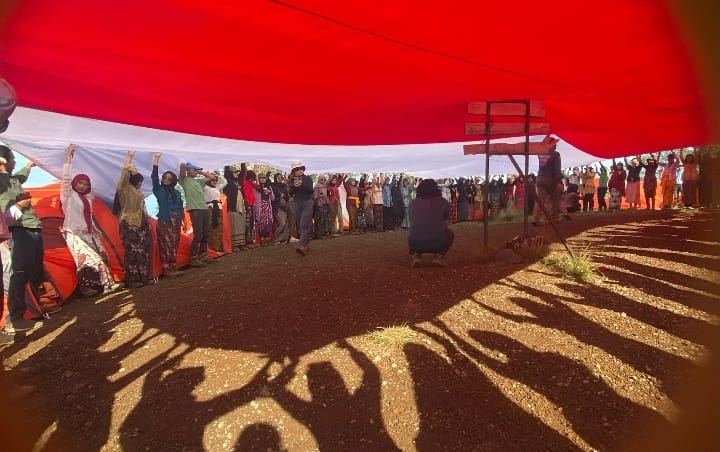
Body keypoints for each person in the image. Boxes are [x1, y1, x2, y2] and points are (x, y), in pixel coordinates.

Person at [61, 144, 124, 295]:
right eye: (80, 183)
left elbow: (88, 217)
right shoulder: (68, 195)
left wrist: (95, 230)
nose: (82, 186)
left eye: (85, 184)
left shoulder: (87, 199)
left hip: (89, 233)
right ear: (74, 184)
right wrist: (69, 157)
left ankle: (102, 285)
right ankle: (88, 287)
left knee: (103, 256)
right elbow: (65, 178)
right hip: (74, 233)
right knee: (88, 260)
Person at [0, 146, 46, 333]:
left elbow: (20, 176)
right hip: (18, 229)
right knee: (19, 272)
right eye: (12, 158)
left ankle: (34, 310)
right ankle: (15, 318)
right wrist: (19, 204)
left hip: (33, 226)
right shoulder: (2, 181)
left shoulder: (12, 179)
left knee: (35, 270)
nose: (15, 161)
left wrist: (28, 165)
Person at [114, 150, 153, 288]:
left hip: (141, 225)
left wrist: (147, 223)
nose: (140, 184)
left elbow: (142, 210)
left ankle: (144, 277)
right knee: (132, 251)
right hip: (128, 224)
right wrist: (129, 157)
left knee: (143, 250)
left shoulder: (138, 192)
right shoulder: (124, 188)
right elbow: (125, 173)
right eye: (139, 181)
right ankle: (133, 280)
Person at [151, 152, 185, 277]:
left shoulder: (176, 192)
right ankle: (167, 269)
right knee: (166, 243)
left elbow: (180, 206)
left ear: (173, 180)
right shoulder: (158, 190)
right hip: (165, 220)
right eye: (165, 178)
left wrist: (181, 218)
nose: (166, 180)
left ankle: (173, 267)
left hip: (176, 220)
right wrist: (156, 159)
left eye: (169, 178)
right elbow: (154, 177)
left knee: (175, 241)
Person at [408, 178, 453, 267]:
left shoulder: (413, 203)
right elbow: (446, 223)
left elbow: (413, 222)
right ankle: (438, 256)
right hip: (437, 241)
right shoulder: (443, 202)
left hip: (414, 242)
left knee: (415, 230)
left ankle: (417, 255)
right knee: (449, 233)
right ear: (436, 189)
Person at [532, 143, 565, 225]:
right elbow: (557, 169)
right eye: (554, 144)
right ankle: (554, 217)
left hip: (540, 178)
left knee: (540, 200)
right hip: (550, 178)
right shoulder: (556, 154)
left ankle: (535, 219)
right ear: (551, 145)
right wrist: (559, 181)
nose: (556, 145)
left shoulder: (540, 153)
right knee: (556, 197)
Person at [288, 161, 314, 255]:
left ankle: (302, 245)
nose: (299, 171)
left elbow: (310, 190)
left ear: (303, 169)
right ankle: (306, 243)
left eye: (300, 169)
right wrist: (294, 187)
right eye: (296, 169)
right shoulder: (291, 180)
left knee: (304, 223)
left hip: (307, 202)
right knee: (300, 224)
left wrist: (302, 185)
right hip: (297, 203)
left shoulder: (307, 178)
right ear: (294, 171)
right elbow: (290, 193)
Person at [222, 164, 246, 250]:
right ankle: (235, 245)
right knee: (234, 225)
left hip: (240, 206)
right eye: (235, 172)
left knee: (240, 224)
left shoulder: (238, 181)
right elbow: (226, 173)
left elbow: (243, 173)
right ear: (230, 173)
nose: (237, 174)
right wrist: (227, 162)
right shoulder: (227, 181)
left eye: (237, 172)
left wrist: (243, 163)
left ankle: (241, 243)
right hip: (232, 206)